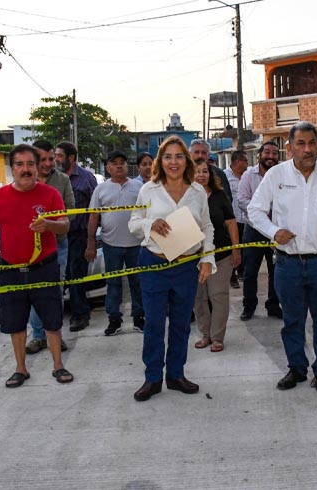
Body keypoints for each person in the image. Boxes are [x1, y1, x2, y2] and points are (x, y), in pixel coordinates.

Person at [248, 122, 317, 393]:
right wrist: (274, 232)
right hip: (288, 263)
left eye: (312, 143)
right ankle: (296, 368)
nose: (308, 149)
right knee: (293, 320)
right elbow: (255, 211)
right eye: (301, 144)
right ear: (289, 148)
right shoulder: (276, 175)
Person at [128, 136, 216, 402]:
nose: (173, 162)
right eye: (168, 157)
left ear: (186, 160)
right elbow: (134, 223)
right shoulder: (149, 190)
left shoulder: (198, 191)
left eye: (179, 156)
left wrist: (207, 259)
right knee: (154, 323)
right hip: (154, 263)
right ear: (160, 161)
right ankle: (152, 378)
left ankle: (176, 375)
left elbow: (207, 227)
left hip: (185, 265)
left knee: (181, 324)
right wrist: (149, 224)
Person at [0, 144, 73, 387]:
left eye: (30, 164)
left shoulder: (50, 194)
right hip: (11, 271)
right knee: (15, 322)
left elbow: (64, 225)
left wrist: (50, 226)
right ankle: (20, 369)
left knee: (53, 321)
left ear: (37, 167)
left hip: (44, 267)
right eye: (20, 165)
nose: (26, 169)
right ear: (12, 169)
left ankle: (58, 366)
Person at [85, 150, 144, 336]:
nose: (119, 166)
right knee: (113, 283)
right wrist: (91, 242)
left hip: (137, 244)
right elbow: (93, 216)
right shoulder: (100, 189)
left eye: (123, 162)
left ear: (128, 166)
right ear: (108, 167)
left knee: (138, 283)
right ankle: (114, 319)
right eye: (115, 163)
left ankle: (139, 317)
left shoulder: (139, 187)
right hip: (111, 244)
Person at [26, 140, 74, 355]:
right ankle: (38, 336)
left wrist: (51, 224)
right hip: (30, 248)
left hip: (58, 245)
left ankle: (54, 333)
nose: (47, 163)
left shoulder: (62, 181)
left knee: (54, 291)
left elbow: (70, 212)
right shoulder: (24, 181)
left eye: (50, 158)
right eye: (42, 159)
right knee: (33, 292)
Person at [193, 161, 241, 352]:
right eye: (196, 172)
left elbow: (231, 223)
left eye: (205, 171)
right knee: (199, 298)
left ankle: (217, 337)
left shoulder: (220, 196)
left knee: (218, 295)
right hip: (193, 256)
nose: (201, 175)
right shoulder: (185, 196)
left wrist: (236, 249)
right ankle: (205, 335)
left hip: (220, 254)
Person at [237, 141, 283, 321]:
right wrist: (261, 213)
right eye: (267, 153)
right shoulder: (249, 175)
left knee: (276, 271)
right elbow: (241, 200)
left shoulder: (281, 175)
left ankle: (273, 305)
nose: (271, 156)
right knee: (250, 272)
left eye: (274, 153)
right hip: (254, 230)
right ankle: (249, 306)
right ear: (259, 155)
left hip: (276, 231)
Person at [56, 141, 97, 332]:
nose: (56, 159)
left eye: (59, 155)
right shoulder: (55, 179)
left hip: (78, 235)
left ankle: (80, 314)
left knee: (75, 276)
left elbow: (95, 211)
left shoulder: (86, 178)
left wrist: (91, 241)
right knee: (60, 276)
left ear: (71, 158)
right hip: (57, 236)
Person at [224, 150, 248, 288]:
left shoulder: (248, 175)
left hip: (245, 219)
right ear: (238, 161)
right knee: (231, 248)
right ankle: (231, 276)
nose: (247, 164)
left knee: (243, 249)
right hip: (231, 220)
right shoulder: (225, 176)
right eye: (245, 160)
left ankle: (241, 272)